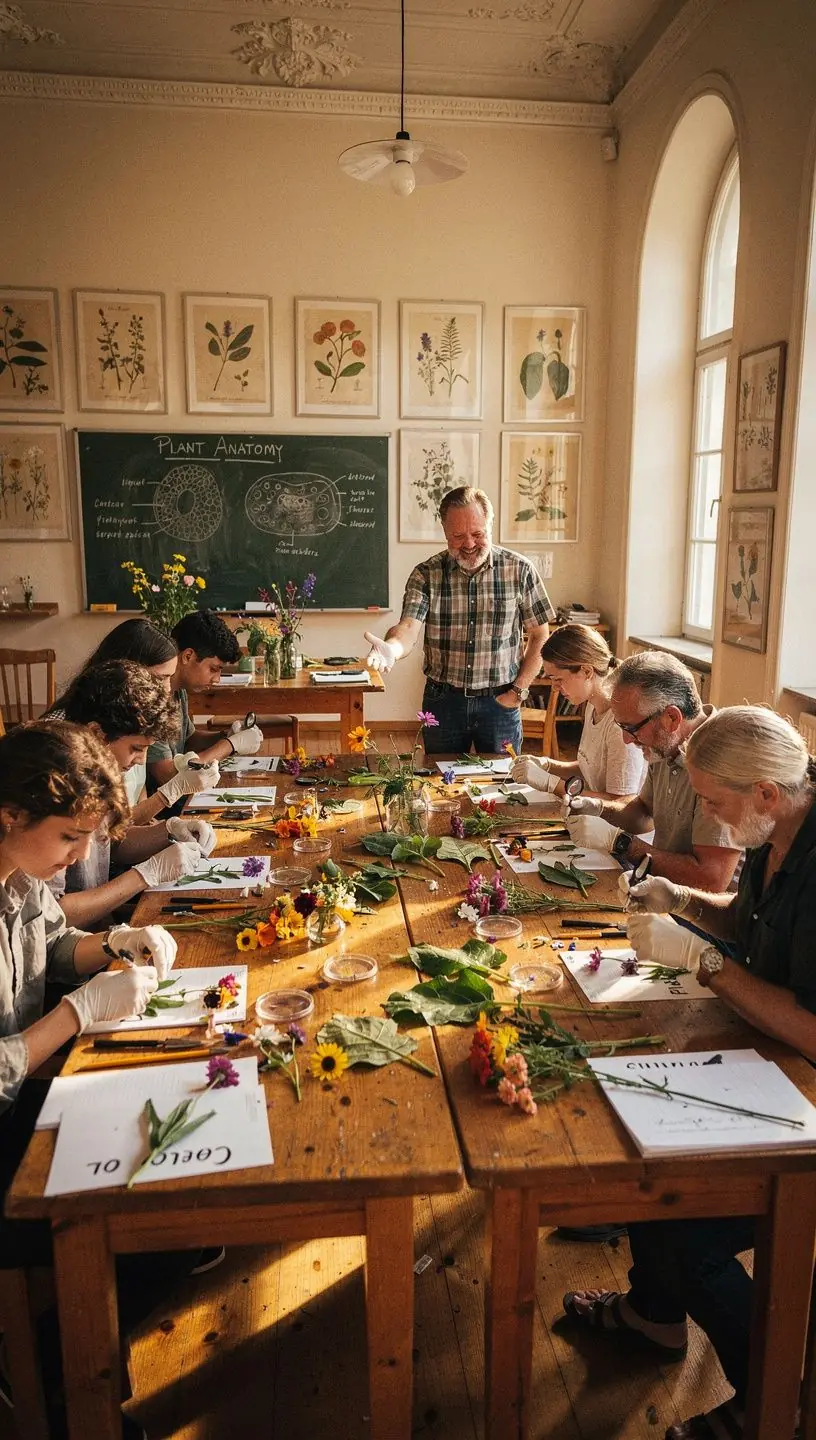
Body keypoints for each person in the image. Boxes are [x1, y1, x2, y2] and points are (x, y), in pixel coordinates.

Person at [562, 705, 816, 1440]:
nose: (707, 816)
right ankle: (654, 1317)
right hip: (765, 1060)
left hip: (801, 1088)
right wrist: (685, 903)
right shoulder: (782, 829)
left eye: (714, 803)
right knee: (645, 1157)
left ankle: (775, 1400)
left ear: (766, 793)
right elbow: (749, 915)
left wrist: (704, 962)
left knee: (685, 1226)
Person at [0, 720, 207, 1440]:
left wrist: (112, 943)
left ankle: (69, 1346)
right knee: (163, 1218)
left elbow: (54, 945)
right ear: (11, 816)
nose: (80, 856)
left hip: (31, 1095)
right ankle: (59, 1382)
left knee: (187, 1185)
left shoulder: (21, 878)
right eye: (68, 838)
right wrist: (76, 1015)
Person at [363, 486, 555, 754]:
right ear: (444, 532)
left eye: (477, 534)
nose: (468, 544)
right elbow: (408, 628)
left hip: (501, 700)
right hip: (443, 702)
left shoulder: (520, 570)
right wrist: (392, 649)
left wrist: (518, 692)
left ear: (490, 526)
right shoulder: (426, 574)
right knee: (439, 785)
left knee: (502, 783)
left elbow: (540, 636)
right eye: (458, 536)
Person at [51, 660, 217, 928]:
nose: (141, 760)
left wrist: (170, 831)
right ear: (96, 732)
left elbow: (112, 843)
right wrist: (144, 875)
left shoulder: (99, 767)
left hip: (100, 929)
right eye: (136, 748)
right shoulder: (55, 786)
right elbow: (55, 915)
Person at [563, 650, 741, 891]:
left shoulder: (720, 764)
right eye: (620, 726)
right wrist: (601, 809)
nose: (626, 739)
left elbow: (711, 879)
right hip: (661, 887)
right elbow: (645, 814)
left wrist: (621, 843)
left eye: (631, 727)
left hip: (703, 912)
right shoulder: (665, 743)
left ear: (671, 718)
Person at [51, 617, 179, 809]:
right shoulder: (66, 741)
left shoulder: (135, 725)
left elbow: (132, 801)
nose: (167, 689)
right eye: (160, 678)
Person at [510, 624, 647, 801]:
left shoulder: (619, 725)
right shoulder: (592, 704)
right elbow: (590, 768)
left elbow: (621, 803)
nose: (555, 688)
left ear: (587, 671)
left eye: (558, 679)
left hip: (616, 827)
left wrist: (553, 784)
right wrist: (547, 765)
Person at [146, 609, 263, 789]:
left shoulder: (179, 690)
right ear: (188, 656)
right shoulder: (151, 697)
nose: (216, 680)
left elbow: (189, 739)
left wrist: (226, 735)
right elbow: (168, 776)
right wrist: (229, 746)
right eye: (214, 669)